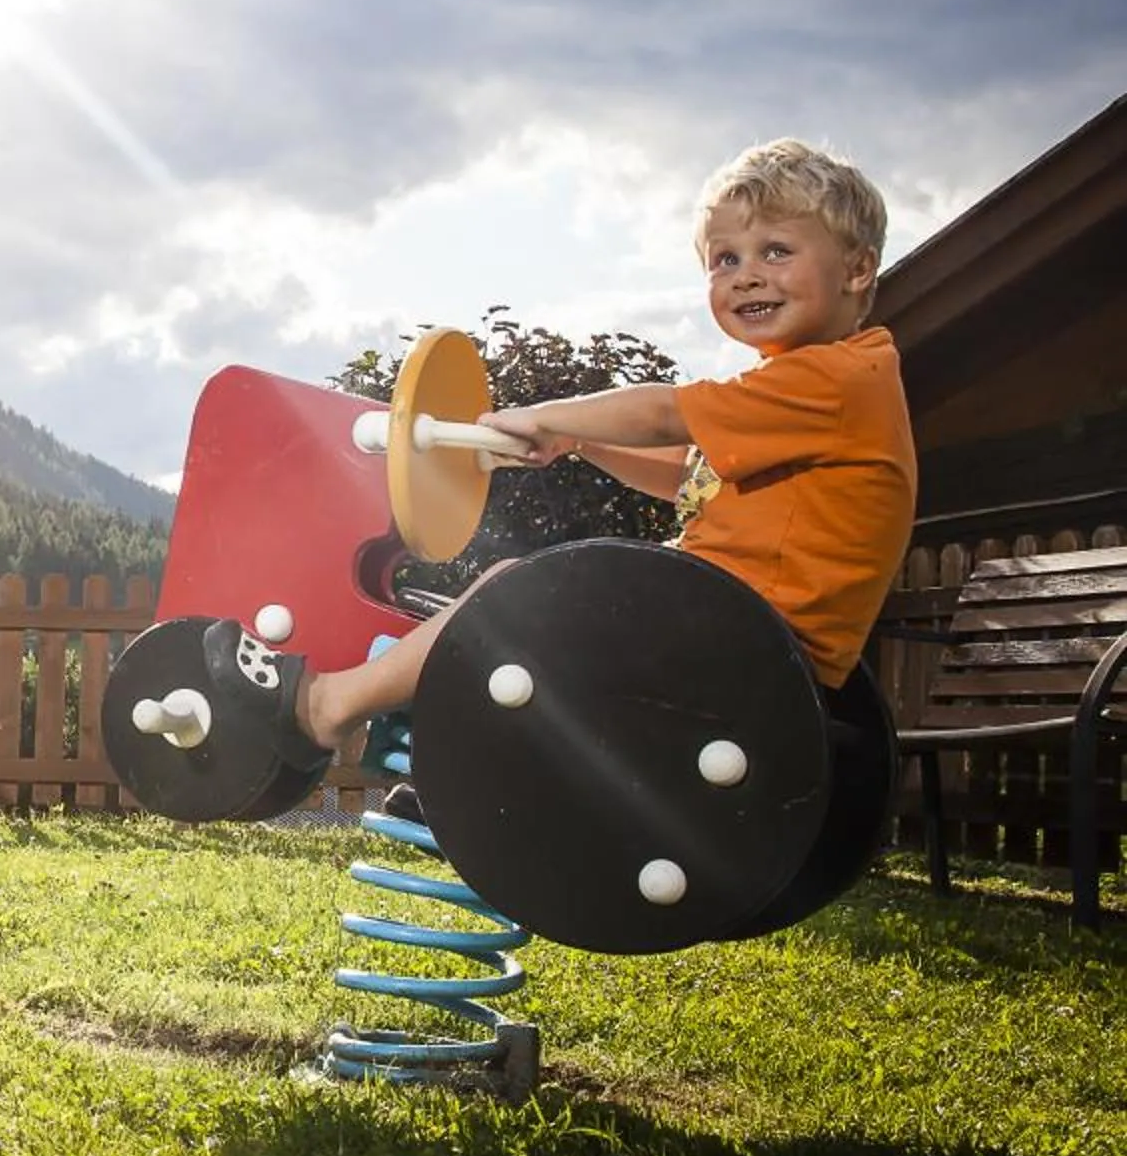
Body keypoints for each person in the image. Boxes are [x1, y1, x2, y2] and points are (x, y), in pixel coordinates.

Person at [209, 138, 918, 762]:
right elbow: (687, 478)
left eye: (776, 251)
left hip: (741, 640)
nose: (745, 275)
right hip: (741, 635)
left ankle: (330, 707)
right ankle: (450, 747)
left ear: (856, 269)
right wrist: (582, 439)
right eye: (724, 258)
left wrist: (549, 417)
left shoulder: (835, 379)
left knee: (519, 594)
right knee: (533, 617)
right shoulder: (807, 388)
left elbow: (669, 413)